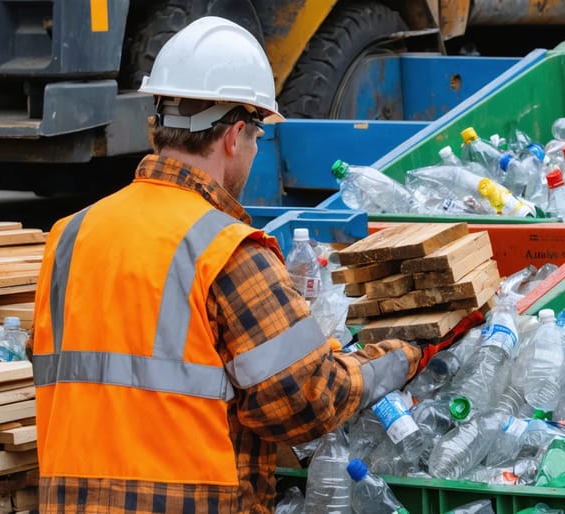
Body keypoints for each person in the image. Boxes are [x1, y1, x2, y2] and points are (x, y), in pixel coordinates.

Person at [30, 17, 421, 513]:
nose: (254, 151)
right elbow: (308, 398)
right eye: (257, 137)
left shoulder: (69, 236)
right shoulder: (226, 250)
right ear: (235, 135)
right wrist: (402, 356)